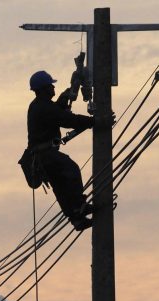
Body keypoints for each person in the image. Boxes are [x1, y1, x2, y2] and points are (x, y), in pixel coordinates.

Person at [25, 69, 100, 231]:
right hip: (45, 155)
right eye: (51, 86)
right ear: (44, 89)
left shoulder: (39, 106)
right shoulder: (43, 107)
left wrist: (64, 98)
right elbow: (66, 119)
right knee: (71, 170)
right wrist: (94, 121)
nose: (53, 89)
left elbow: (55, 113)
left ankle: (77, 219)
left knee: (61, 187)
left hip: (41, 157)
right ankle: (79, 206)